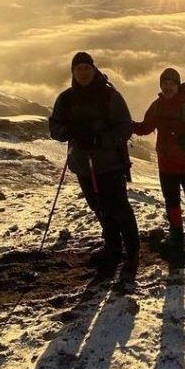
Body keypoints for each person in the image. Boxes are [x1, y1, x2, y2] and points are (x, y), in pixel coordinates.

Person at [49, 52, 139, 275]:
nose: (83, 72)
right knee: (98, 207)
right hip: (83, 166)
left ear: (94, 69)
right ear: (73, 72)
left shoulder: (109, 96)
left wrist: (100, 139)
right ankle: (113, 248)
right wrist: (68, 132)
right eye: (78, 68)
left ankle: (132, 253)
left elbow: (125, 126)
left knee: (119, 208)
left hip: (110, 164)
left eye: (86, 68)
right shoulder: (66, 99)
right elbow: (55, 128)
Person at [134, 68, 185, 257]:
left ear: (178, 85)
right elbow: (145, 127)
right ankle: (177, 235)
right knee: (172, 201)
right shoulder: (158, 106)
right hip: (166, 165)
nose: (167, 87)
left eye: (171, 83)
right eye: (164, 83)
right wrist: (126, 126)